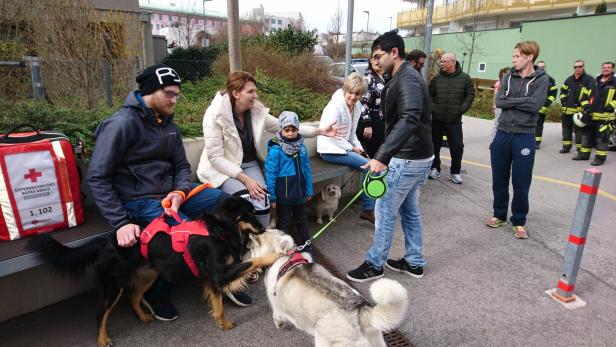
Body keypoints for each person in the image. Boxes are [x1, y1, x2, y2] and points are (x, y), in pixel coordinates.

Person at [86, 64, 228, 321]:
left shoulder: (168, 125)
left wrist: (179, 192)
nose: (175, 99)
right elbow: (97, 177)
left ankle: (225, 271)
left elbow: (182, 166)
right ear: (151, 91)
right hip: (138, 201)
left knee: (225, 204)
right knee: (184, 237)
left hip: (170, 196)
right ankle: (155, 293)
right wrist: (120, 223)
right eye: (169, 93)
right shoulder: (122, 124)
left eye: (177, 94)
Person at [197, 71, 338, 305]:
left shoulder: (255, 110)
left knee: (261, 201)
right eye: (251, 91)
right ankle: (240, 260)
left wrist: (319, 131)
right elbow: (215, 156)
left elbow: (284, 126)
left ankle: (258, 251)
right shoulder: (215, 115)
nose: (255, 95)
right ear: (236, 93)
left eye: (255, 91)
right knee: (244, 201)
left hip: (249, 163)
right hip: (223, 168)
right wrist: (245, 179)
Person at [346, 30, 434, 282]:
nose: (375, 61)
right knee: (409, 210)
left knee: (384, 209)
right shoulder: (404, 76)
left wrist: (382, 156)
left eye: (378, 56)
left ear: (394, 52)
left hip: (408, 157)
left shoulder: (406, 79)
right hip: (417, 155)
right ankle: (414, 262)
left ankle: (375, 264)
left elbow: (409, 118)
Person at [487, 41, 548, 239]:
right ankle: (499, 214)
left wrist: (512, 102)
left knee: (521, 182)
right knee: (499, 179)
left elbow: (535, 105)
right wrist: (522, 101)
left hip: (524, 136)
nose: (514, 59)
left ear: (530, 56)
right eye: (513, 56)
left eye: (517, 56)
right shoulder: (508, 76)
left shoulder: (542, 79)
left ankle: (519, 220)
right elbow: (499, 101)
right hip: (502, 133)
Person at [317, 72, 375, 223]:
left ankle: (371, 205)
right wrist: (351, 148)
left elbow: (351, 133)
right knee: (367, 166)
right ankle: (368, 209)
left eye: (357, 94)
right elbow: (332, 135)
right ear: (344, 90)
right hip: (329, 150)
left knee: (371, 163)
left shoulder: (356, 107)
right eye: (350, 92)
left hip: (342, 148)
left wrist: (358, 147)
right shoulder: (335, 107)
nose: (353, 97)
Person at [265, 112, 313, 251]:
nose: (291, 133)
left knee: (302, 219)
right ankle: (282, 249)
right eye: (287, 130)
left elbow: (307, 170)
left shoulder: (302, 147)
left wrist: (308, 189)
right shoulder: (276, 150)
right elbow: (271, 173)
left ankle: (307, 245)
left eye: (293, 130)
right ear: (281, 130)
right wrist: (272, 196)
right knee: (284, 223)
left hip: (300, 194)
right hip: (283, 196)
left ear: (297, 129)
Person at [428, 52, 475, 184]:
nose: (441, 63)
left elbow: (470, 95)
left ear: (453, 62)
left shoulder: (465, 78)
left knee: (457, 147)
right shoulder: (436, 79)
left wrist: (461, 110)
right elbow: (430, 95)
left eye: (444, 61)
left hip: (454, 121)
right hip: (437, 119)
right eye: (441, 61)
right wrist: (433, 109)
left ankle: (455, 172)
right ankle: (435, 168)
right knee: (434, 146)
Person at [578, 62, 616, 166]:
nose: (606, 69)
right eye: (604, 67)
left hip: (605, 117)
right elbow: (584, 94)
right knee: (586, 136)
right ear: (601, 68)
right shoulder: (594, 81)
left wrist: (611, 105)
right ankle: (584, 155)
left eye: (608, 68)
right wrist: (585, 106)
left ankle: (600, 158)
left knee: (601, 139)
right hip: (590, 114)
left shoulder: (614, 82)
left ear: (612, 69)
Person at [559, 59, 595, 155]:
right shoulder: (569, 79)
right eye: (575, 67)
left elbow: (591, 95)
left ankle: (580, 150)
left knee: (579, 132)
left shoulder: (589, 80)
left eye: (580, 66)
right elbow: (562, 90)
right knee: (566, 130)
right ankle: (566, 147)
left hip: (578, 112)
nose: (577, 69)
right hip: (566, 111)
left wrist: (586, 107)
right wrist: (563, 100)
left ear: (583, 67)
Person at [357, 60, 388, 159]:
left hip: (383, 122)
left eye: (380, 59)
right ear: (370, 61)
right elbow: (363, 102)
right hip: (373, 123)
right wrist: (367, 124)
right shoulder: (368, 78)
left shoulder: (386, 76)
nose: (378, 62)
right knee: (374, 155)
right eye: (375, 59)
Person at [535, 61, 558, 149]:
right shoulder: (532, 77)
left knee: (539, 125)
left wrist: (547, 102)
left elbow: (554, 93)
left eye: (543, 67)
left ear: (545, 68)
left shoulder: (550, 79)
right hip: (531, 106)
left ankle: (537, 142)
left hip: (542, 108)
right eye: (539, 67)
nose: (541, 68)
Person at [490, 67, 511, 143]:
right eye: (508, 73)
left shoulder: (510, 83)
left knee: (505, 126)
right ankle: (492, 142)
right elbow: (495, 96)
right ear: (504, 73)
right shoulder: (499, 83)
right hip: (499, 107)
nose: (510, 74)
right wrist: (493, 106)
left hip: (507, 107)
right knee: (497, 124)